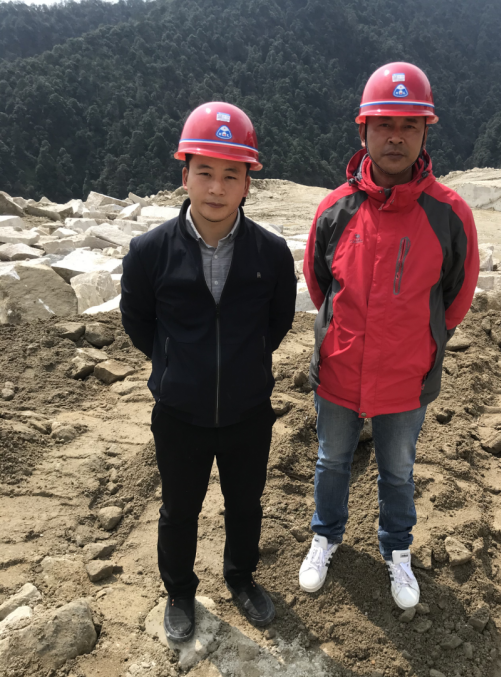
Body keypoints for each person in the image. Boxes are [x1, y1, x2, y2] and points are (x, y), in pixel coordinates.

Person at [299, 63, 479, 609]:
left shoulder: (448, 214)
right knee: (332, 460)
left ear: (425, 132)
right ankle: (325, 536)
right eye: (383, 124)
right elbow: (319, 283)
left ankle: (397, 549)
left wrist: (424, 342)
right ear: (363, 131)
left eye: (408, 125)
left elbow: (457, 294)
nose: (395, 136)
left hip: (406, 376)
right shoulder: (335, 209)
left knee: (397, 470)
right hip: (340, 368)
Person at [121, 102, 296, 640]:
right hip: (180, 411)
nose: (216, 188)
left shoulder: (271, 253)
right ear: (185, 176)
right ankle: (179, 592)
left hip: (248, 410)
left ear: (248, 184)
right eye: (205, 172)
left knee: (245, 504)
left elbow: (278, 322)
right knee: (179, 509)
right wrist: (178, 367)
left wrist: (243, 366)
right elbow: (139, 323)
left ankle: (241, 578)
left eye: (230, 175)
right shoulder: (149, 252)